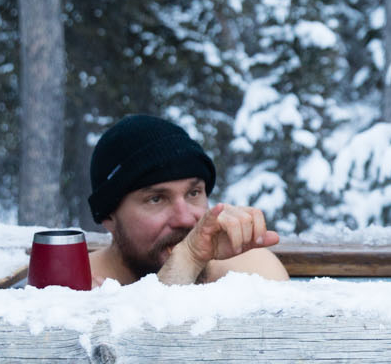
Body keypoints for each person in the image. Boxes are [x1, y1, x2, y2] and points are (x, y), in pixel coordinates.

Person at [85, 114, 288, 286]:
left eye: (193, 193)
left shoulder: (249, 273)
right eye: (156, 199)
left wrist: (189, 260)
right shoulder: (76, 288)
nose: (184, 219)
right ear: (108, 215)